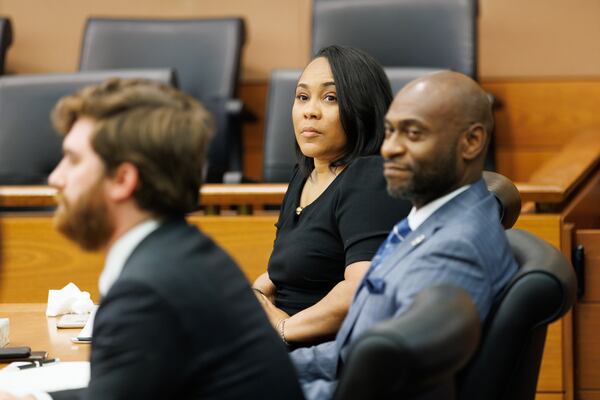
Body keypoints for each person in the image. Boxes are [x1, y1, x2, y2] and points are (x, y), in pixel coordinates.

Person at [0, 79, 303, 400]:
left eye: (73, 160)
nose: (55, 178)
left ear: (122, 180)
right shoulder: (182, 254)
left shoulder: (147, 291)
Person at [291, 71, 519, 399]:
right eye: (389, 132)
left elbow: (390, 388)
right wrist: (261, 364)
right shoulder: (433, 221)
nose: (391, 149)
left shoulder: (452, 252)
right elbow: (348, 354)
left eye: (412, 133)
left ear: (471, 142)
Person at [252, 45, 411, 346]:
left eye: (330, 98)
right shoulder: (304, 173)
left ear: (362, 108)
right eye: (302, 97)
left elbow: (361, 289)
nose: (310, 110)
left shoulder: (370, 176)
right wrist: (254, 299)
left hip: (321, 355)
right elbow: (283, 270)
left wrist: (283, 329)